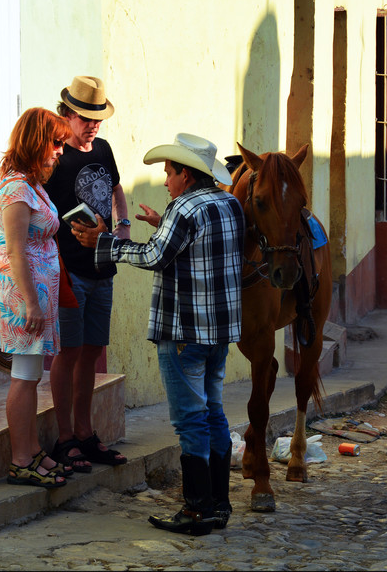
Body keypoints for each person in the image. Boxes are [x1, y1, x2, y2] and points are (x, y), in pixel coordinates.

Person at [71, 133, 244, 536]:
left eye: (169, 172)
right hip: (218, 332)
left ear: (185, 173)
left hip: (183, 332)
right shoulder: (229, 202)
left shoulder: (183, 209)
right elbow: (197, 249)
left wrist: (105, 241)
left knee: (189, 419)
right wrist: (159, 224)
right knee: (212, 412)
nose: (166, 180)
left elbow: (153, 256)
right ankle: (219, 504)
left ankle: (197, 509)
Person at [44, 76, 129, 472]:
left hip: (103, 267)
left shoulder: (105, 148)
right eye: (85, 117)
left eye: (98, 117)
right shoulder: (55, 156)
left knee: (92, 352)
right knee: (69, 353)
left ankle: (85, 432)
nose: (93, 125)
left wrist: (124, 224)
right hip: (69, 270)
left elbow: (116, 188)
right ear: (66, 114)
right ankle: (64, 438)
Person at [0, 107, 74, 489]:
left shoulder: (30, 184)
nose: (60, 150)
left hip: (37, 294)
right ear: (36, 141)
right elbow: (16, 252)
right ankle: (20, 460)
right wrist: (31, 302)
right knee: (24, 378)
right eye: (55, 143)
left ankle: (32, 451)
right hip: (24, 297)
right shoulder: (15, 190)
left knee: (30, 376)